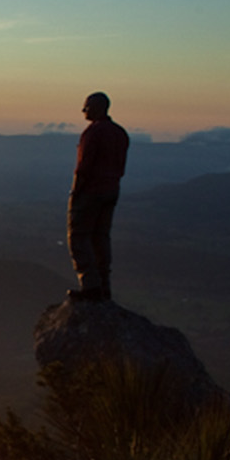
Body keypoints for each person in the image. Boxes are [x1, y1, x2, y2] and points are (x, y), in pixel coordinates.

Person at [67, 91, 129, 302]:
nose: (83, 111)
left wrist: (76, 192)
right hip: (112, 190)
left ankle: (90, 286)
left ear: (98, 108)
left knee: (79, 236)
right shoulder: (120, 133)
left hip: (90, 192)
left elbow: (83, 168)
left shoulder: (92, 133)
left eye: (87, 107)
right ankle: (104, 286)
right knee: (101, 237)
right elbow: (121, 166)